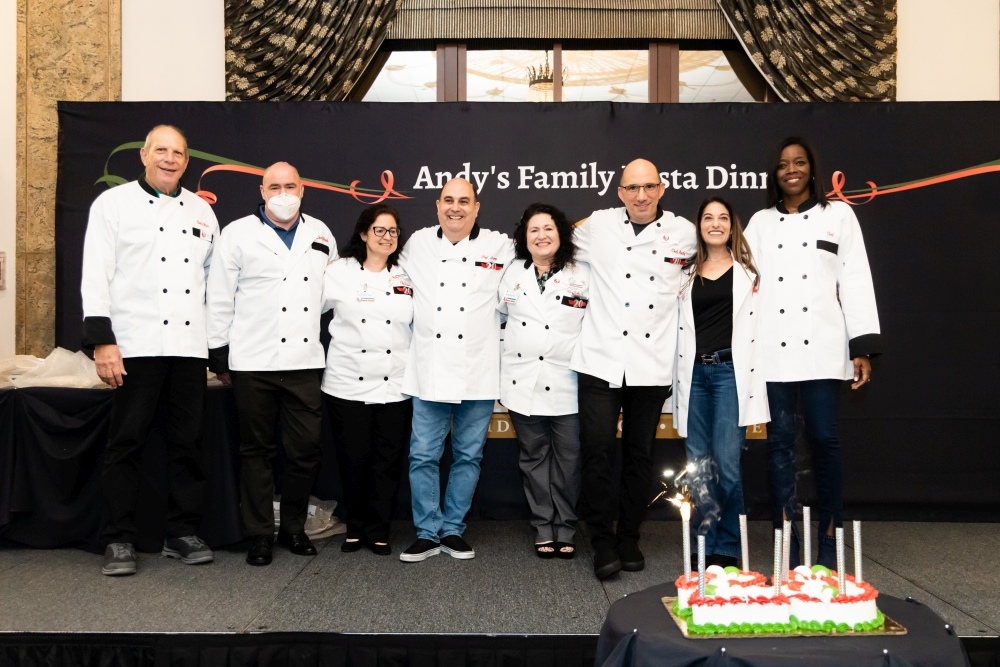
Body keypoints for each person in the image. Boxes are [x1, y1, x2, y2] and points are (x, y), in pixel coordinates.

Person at [81, 124, 219, 576]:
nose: (169, 159)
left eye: (177, 153)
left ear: (186, 161)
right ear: (143, 155)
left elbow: (213, 286)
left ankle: (182, 531)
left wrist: (216, 349)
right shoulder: (113, 204)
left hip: (187, 346)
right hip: (135, 343)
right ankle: (118, 538)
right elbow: (95, 274)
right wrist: (103, 341)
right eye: (161, 150)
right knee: (126, 443)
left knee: (188, 443)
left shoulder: (201, 211)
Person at [744, 136, 881, 569]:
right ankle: (786, 542)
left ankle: (829, 538)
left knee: (824, 439)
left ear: (812, 168)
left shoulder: (838, 215)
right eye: (784, 164)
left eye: (799, 162)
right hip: (773, 348)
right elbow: (743, 282)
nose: (792, 170)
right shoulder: (760, 223)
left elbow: (855, 279)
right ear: (775, 173)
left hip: (823, 344)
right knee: (780, 444)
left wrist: (862, 346)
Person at [571, 158, 698, 580]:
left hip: (652, 361)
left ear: (662, 188)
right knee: (597, 453)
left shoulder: (685, 232)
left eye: (648, 187)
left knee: (640, 456)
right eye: (631, 188)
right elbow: (553, 241)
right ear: (620, 192)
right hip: (600, 358)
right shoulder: (598, 225)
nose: (640, 196)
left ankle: (629, 536)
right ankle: (601, 539)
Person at [206, 161, 335, 566]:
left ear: (302, 189)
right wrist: (218, 353)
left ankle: (293, 528)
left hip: (303, 360)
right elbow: (220, 296)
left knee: (304, 450)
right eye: (274, 187)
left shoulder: (320, 233)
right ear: (262, 191)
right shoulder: (237, 233)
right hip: (252, 360)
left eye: (290, 186)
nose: (283, 194)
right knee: (256, 451)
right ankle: (260, 533)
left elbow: (330, 293)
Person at [397, 178, 515, 563]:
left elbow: (538, 257)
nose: (455, 208)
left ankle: (453, 529)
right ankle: (426, 532)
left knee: (468, 456)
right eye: (448, 200)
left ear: (477, 208)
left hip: (477, 371)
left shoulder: (500, 245)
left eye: (464, 201)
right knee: (422, 456)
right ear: (437, 205)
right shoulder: (417, 243)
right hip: (429, 370)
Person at [672, 197, 769, 568]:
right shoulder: (684, 274)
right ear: (699, 226)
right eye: (708, 218)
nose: (715, 224)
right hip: (694, 374)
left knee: (727, 464)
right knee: (698, 463)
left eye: (723, 218)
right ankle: (704, 541)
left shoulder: (751, 273)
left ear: (732, 225)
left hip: (730, 373)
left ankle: (727, 546)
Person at [498, 203, 589, 559]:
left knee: (568, 460)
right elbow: (500, 316)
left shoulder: (582, 274)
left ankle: (565, 526)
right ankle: (542, 526)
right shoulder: (511, 273)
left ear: (561, 233)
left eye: (548, 228)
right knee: (533, 458)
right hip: (522, 381)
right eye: (534, 230)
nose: (541, 236)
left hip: (568, 382)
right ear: (524, 237)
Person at [322, 204, 412, 556]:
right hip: (347, 382)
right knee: (353, 459)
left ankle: (379, 530)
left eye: (393, 231)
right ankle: (355, 527)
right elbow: (307, 309)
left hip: (395, 384)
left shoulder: (406, 275)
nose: (387, 237)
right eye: (379, 230)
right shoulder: (339, 271)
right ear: (363, 233)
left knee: (387, 462)